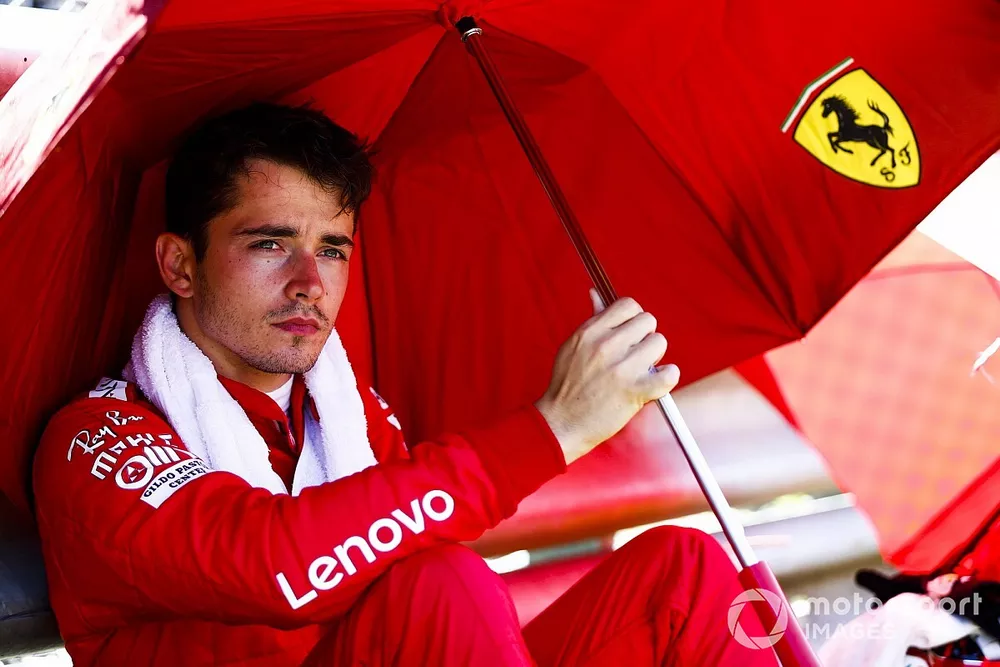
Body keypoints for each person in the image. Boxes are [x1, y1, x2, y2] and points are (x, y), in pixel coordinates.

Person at [33, 103, 779, 667]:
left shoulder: (348, 413)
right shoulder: (93, 441)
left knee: (685, 573)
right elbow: (278, 568)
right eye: (269, 243)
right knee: (440, 584)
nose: (309, 283)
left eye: (332, 249)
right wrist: (550, 430)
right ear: (179, 265)